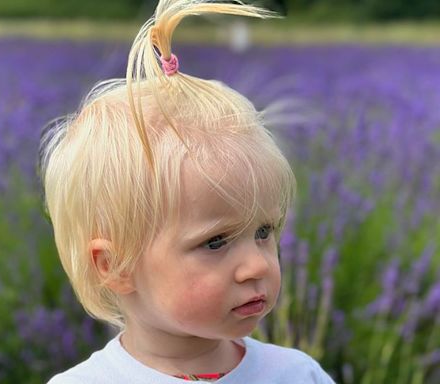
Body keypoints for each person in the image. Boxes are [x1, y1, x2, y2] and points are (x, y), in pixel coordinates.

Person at [40, 0, 335, 382]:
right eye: (215, 242)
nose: (259, 265)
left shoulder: (296, 374)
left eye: (264, 232)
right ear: (115, 266)